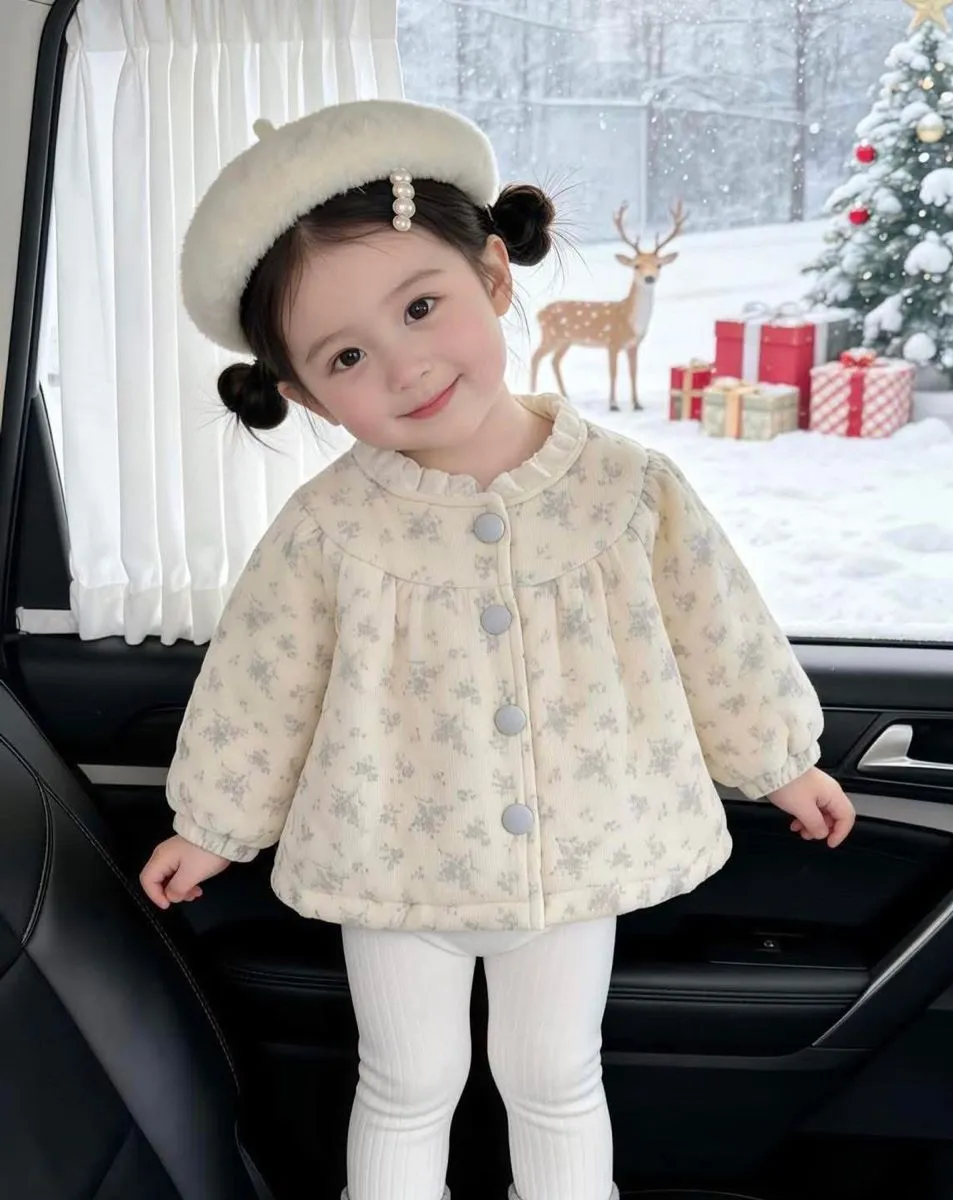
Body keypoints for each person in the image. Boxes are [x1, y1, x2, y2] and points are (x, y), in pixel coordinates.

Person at [139, 98, 857, 1200]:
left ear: (492, 277)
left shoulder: (628, 488)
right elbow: (261, 684)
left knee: (557, 1078)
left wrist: (780, 760)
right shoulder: (329, 526)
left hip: (573, 859)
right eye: (347, 355)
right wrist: (212, 825)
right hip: (391, 856)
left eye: (422, 307)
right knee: (404, 1084)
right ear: (302, 394)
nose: (406, 366)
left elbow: (716, 628)